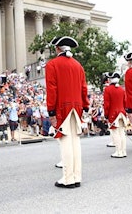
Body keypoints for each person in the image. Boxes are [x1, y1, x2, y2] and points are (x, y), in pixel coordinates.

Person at [45, 36, 89, 188]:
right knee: (75, 143)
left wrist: (51, 112)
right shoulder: (78, 65)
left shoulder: (52, 65)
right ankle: (77, 176)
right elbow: (84, 89)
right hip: (77, 107)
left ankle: (68, 177)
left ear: (57, 48)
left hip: (62, 108)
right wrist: (85, 107)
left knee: (65, 143)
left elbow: (52, 90)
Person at [103, 72, 128, 158]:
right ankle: (123, 151)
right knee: (122, 133)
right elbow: (125, 102)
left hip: (113, 113)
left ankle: (118, 151)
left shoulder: (107, 89)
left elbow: (107, 104)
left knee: (115, 133)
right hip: (122, 112)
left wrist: (106, 115)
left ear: (110, 79)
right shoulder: (121, 89)